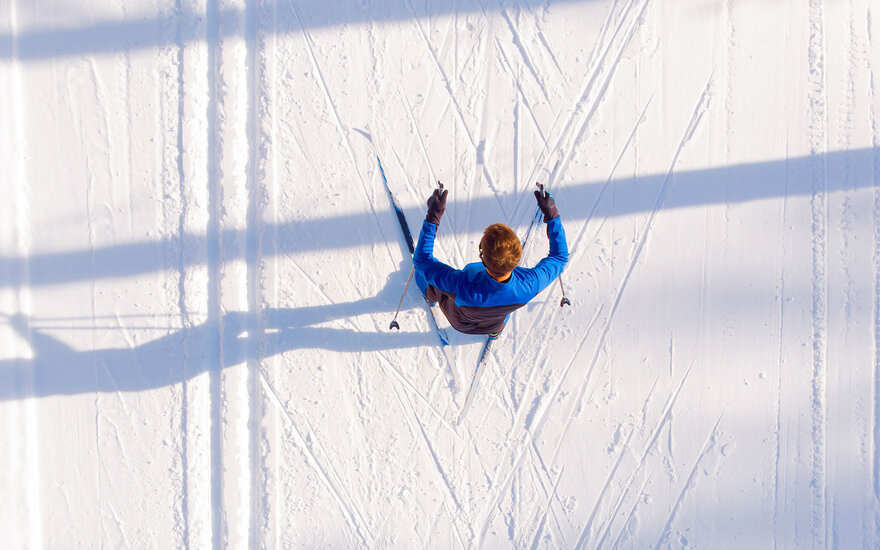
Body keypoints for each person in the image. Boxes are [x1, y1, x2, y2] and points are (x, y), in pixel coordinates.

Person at [412, 185, 569, 339]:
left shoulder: (460, 285)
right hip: (495, 323)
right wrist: (552, 213)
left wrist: (433, 216)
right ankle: (495, 333)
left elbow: (421, 260)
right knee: (501, 313)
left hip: (460, 322)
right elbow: (559, 257)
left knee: (437, 284)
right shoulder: (529, 285)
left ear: (482, 256)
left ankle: (430, 298)